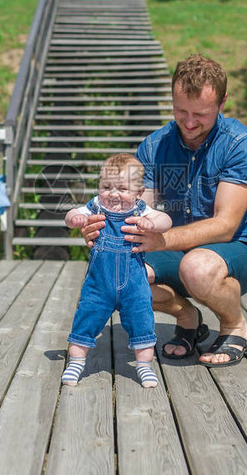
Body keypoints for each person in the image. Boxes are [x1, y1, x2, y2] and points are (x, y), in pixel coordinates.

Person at [81, 54, 247, 368]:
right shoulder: (154, 146)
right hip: (175, 250)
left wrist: (162, 241)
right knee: (113, 274)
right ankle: (188, 319)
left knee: (197, 267)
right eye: (180, 110)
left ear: (222, 103)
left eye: (201, 113)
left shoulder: (239, 143)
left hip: (237, 249)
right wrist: (100, 227)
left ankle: (234, 325)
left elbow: (225, 226)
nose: (190, 121)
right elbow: (141, 213)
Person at [61, 153, 173, 388]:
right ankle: (76, 361)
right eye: (106, 187)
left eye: (122, 188)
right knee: (86, 318)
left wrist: (153, 225)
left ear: (139, 193)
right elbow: (71, 214)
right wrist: (76, 219)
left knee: (142, 320)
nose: (113, 194)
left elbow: (165, 220)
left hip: (134, 283)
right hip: (99, 283)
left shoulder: (141, 211)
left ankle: (144, 366)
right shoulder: (95, 205)